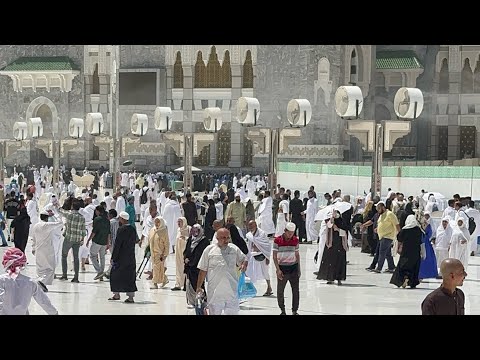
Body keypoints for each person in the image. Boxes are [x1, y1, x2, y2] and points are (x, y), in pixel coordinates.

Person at [196, 228, 248, 315]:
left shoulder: (234, 249)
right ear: (217, 238)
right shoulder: (209, 250)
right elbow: (203, 270)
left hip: (232, 291)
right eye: (223, 238)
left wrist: (244, 264)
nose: (226, 240)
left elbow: (244, 259)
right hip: (215, 293)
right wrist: (198, 287)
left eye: (228, 238)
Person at [0, 248, 58, 315]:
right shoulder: (30, 282)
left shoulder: (2, 280)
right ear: (22, 264)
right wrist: (54, 313)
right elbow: (44, 301)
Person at [109, 211, 138, 303]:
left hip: (121, 258)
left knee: (115, 275)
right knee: (129, 277)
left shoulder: (121, 230)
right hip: (130, 257)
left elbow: (117, 245)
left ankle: (116, 294)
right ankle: (130, 297)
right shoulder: (133, 229)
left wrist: (113, 257)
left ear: (122, 219)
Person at [31, 211, 64, 292]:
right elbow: (60, 223)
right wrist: (58, 214)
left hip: (38, 250)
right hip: (47, 250)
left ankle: (42, 285)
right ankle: (41, 281)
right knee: (51, 268)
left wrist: (33, 248)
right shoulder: (47, 225)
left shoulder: (35, 226)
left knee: (40, 268)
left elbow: (33, 238)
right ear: (47, 218)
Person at [273, 222, 301, 315]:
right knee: (280, 291)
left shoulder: (295, 240)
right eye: (289, 233)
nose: (290, 235)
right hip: (282, 269)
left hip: (293, 268)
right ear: (285, 231)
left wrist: (299, 268)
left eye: (292, 233)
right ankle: (282, 310)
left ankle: (294, 310)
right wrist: (277, 269)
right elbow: (274, 255)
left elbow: (297, 255)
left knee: (295, 291)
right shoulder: (277, 240)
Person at [390, 214, 423, 289]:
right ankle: (412, 282)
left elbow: (399, 239)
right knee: (414, 267)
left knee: (403, 266)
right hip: (416, 252)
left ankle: (404, 278)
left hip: (406, 252)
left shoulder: (404, 230)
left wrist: (398, 249)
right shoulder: (418, 230)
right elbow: (421, 242)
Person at [57, 199, 86, 283]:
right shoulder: (82, 217)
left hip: (68, 238)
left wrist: (57, 205)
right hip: (77, 240)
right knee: (76, 257)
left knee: (64, 256)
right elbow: (83, 230)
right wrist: (82, 240)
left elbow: (60, 211)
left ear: (72, 207)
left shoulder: (69, 215)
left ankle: (64, 275)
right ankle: (76, 277)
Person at [317, 210, 348, 285]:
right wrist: (332, 222)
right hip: (330, 244)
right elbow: (328, 227)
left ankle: (339, 278)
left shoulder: (342, 222)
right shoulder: (330, 221)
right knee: (330, 261)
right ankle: (330, 278)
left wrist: (338, 229)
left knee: (339, 261)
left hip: (340, 245)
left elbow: (345, 233)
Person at [183, 224, 209, 307]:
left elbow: (201, 254)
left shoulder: (204, 241)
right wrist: (186, 258)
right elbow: (186, 250)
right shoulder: (190, 239)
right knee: (189, 284)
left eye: (196, 231)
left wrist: (192, 262)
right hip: (189, 267)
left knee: (198, 284)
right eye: (193, 231)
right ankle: (191, 302)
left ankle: (202, 301)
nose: (194, 233)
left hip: (199, 267)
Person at [246, 220, 273, 296]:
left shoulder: (262, 233)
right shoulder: (249, 235)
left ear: (255, 225)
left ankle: (269, 287)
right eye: (249, 226)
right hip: (252, 254)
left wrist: (267, 257)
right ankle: (250, 289)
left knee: (265, 272)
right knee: (248, 271)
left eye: (252, 225)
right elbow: (249, 245)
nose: (250, 227)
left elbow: (267, 245)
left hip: (262, 254)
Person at [86, 206, 111, 281]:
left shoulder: (97, 219)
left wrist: (88, 240)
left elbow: (94, 231)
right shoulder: (107, 220)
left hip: (97, 241)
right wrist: (108, 243)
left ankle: (99, 271)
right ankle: (101, 273)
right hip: (104, 241)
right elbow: (108, 233)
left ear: (98, 211)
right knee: (102, 257)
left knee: (93, 255)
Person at [148, 216, 170, 289]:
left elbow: (166, 244)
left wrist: (165, 254)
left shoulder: (163, 231)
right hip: (153, 252)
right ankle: (164, 279)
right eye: (156, 222)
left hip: (160, 254)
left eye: (158, 222)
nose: (157, 223)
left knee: (156, 268)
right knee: (159, 268)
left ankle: (155, 283)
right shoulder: (152, 230)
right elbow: (150, 240)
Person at [172, 217, 190, 291]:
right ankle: (178, 284)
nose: (179, 223)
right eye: (178, 222)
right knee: (178, 267)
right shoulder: (178, 230)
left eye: (180, 222)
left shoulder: (188, 229)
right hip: (178, 252)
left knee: (184, 267)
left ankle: (185, 284)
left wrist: (185, 238)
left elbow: (191, 240)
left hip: (185, 251)